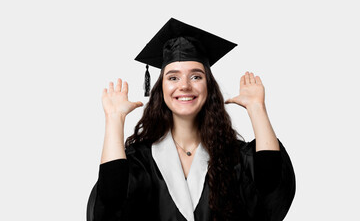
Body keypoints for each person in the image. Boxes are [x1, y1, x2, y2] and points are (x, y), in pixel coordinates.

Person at [86, 18, 296, 221]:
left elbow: (271, 186)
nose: (184, 85)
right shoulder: (141, 160)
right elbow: (111, 204)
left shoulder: (233, 156)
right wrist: (114, 120)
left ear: (209, 86)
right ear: (161, 88)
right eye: (173, 77)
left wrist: (257, 109)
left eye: (196, 76)